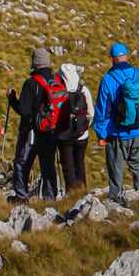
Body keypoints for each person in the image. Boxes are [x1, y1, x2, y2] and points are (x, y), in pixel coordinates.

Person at [93, 42, 139, 204]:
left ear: (112, 59)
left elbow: (102, 111)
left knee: (116, 172)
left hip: (117, 135)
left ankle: (115, 204)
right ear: (126, 56)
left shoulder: (108, 80)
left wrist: (101, 134)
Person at [7, 47, 64, 202]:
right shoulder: (56, 81)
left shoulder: (31, 83)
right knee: (48, 165)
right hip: (51, 131)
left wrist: (12, 99)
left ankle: (21, 196)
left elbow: (24, 111)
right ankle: (50, 197)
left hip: (31, 132)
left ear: (35, 62)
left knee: (22, 163)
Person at [56, 62, 94, 193]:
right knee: (80, 163)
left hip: (64, 135)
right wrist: (83, 127)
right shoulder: (84, 90)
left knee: (68, 166)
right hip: (82, 135)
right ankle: (82, 191)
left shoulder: (59, 91)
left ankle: (71, 193)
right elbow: (91, 113)